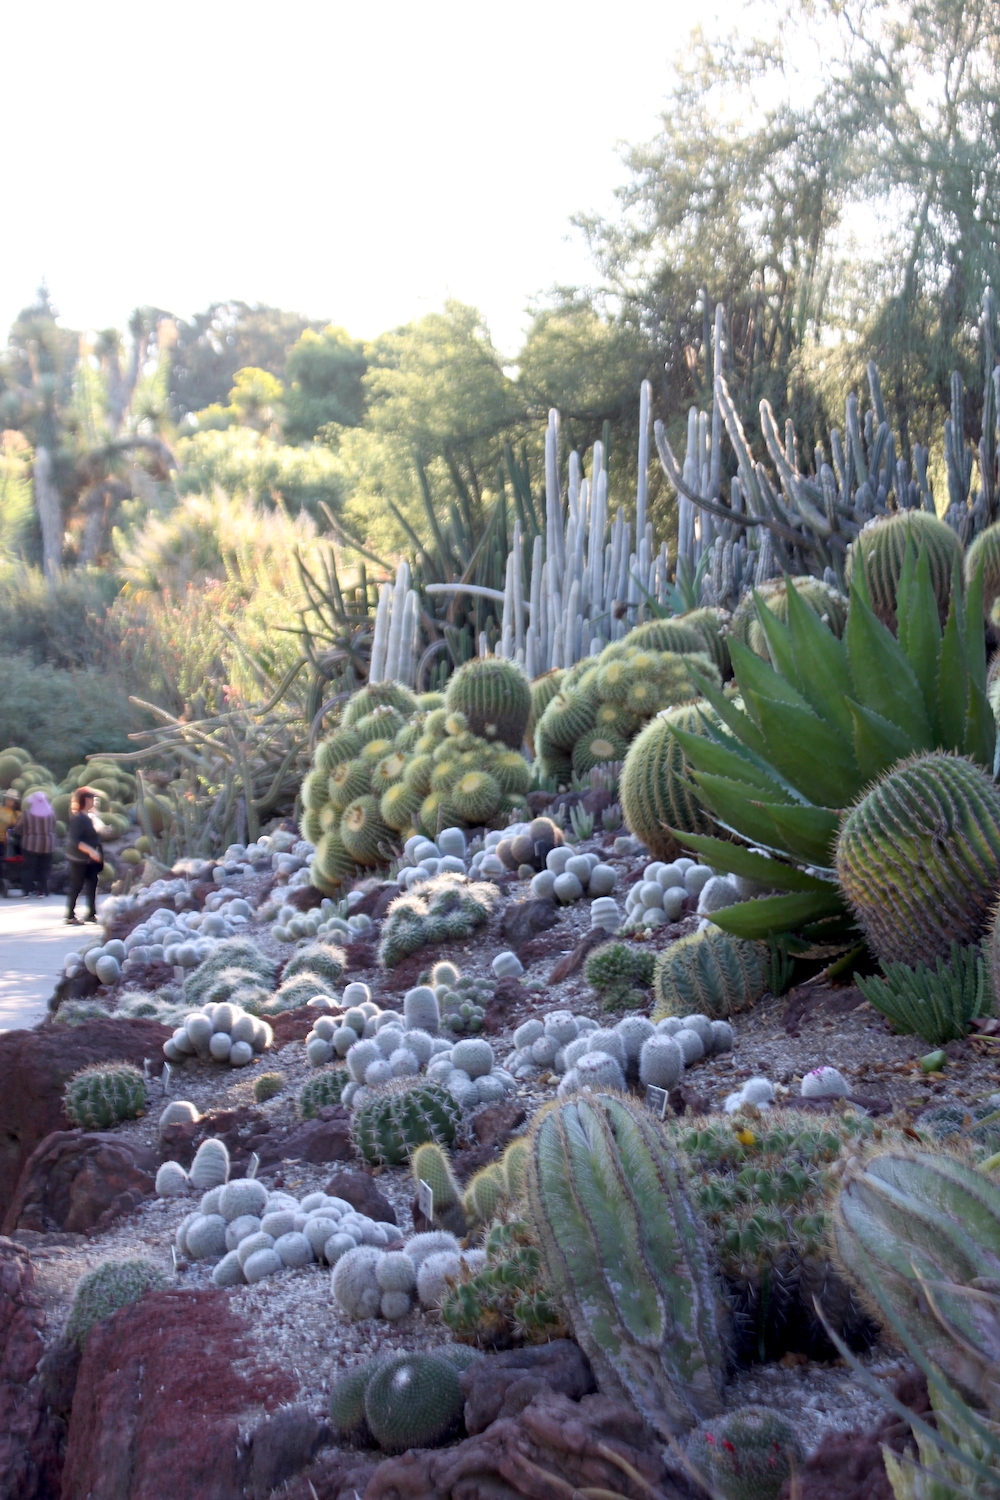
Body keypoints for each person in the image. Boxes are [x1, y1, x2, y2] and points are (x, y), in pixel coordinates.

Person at [66, 787, 103, 925]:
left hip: (90, 859)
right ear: (85, 800)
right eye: (91, 798)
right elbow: (76, 840)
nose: (94, 801)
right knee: (77, 885)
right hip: (79, 858)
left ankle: (91, 913)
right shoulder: (77, 818)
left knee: (92, 884)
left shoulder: (89, 816)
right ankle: (70, 915)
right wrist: (91, 851)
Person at [19, 790, 58, 897]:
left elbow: (19, 827)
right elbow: (54, 825)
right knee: (44, 869)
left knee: (28, 868)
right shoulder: (51, 813)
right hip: (48, 845)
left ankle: (26, 892)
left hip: (31, 844)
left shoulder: (27, 814)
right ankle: (41, 891)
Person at [0, 792, 18, 897]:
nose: (9, 801)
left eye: (11, 800)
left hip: (4, 841)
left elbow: (14, 828)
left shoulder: (15, 814)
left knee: (3, 861)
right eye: (7, 799)